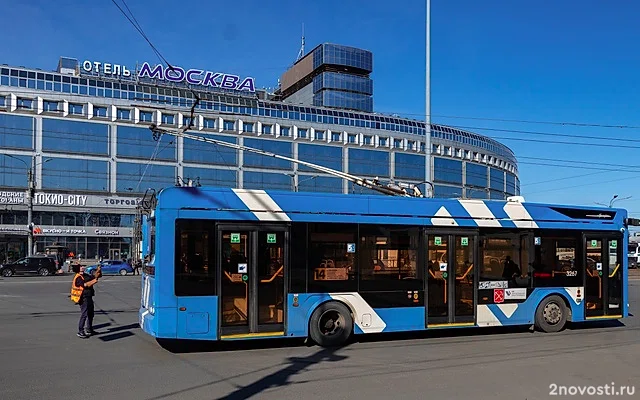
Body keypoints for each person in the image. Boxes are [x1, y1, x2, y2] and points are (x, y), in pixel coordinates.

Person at [70, 264, 101, 339]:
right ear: (78, 268)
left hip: (89, 297)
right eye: (81, 267)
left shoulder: (85, 275)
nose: (83, 267)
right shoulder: (78, 277)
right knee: (84, 314)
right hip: (83, 298)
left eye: (83, 266)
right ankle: (80, 331)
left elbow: (95, 276)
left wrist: (98, 271)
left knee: (91, 314)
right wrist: (94, 281)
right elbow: (85, 285)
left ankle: (89, 329)